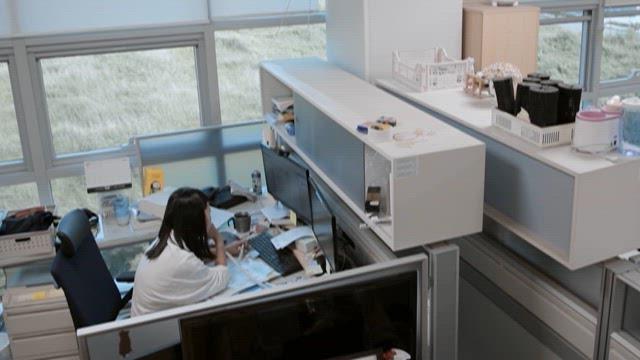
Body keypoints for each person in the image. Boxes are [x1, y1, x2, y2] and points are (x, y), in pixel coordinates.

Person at [131, 187, 245, 317]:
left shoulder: (165, 238)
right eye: (209, 214)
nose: (211, 220)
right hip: (159, 332)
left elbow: (194, 254)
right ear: (197, 221)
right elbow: (222, 278)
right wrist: (218, 240)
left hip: (143, 321)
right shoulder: (183, 261)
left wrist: (225, 250)